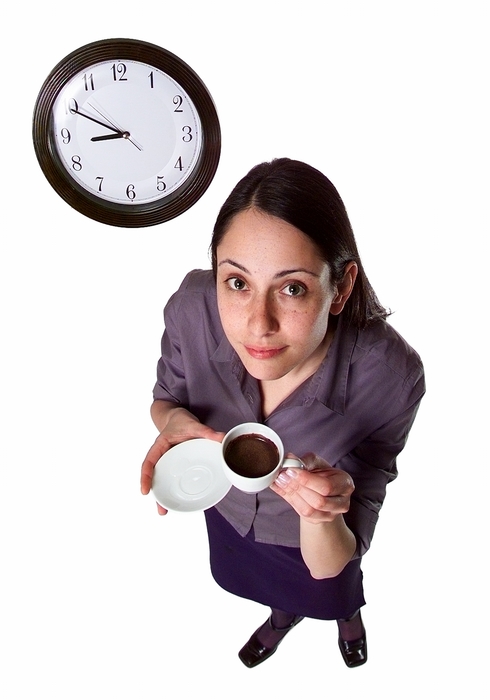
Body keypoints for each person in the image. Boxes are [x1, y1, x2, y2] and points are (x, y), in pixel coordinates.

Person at [140, 158, 425, 668]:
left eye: (292, 288)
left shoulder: (392, 375)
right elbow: (167, 397)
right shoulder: (190, 308)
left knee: (334, 589)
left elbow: (343, 546)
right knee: (275, 592)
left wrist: (319, 515)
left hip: (317, 543)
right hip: (229, 517)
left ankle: (349, 621)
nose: (257, 324)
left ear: (340, 288)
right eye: (237, 282)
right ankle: (279, 619)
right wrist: (172, 424)